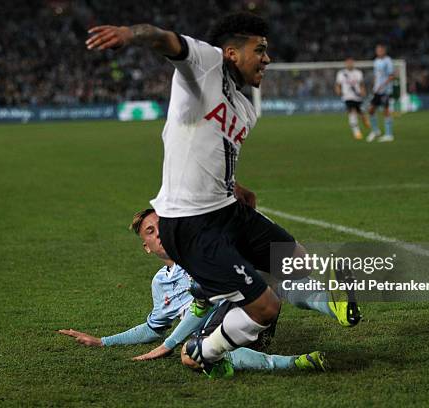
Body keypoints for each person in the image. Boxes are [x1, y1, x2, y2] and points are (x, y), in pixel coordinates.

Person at [85, 12, 360, 377]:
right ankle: (205, 350)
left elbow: (214, 150)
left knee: (296, 261)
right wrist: (129, 33)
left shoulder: (245, 107)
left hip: (226, 208)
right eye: (259, 49)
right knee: (266, 307)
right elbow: (165, 39)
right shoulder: (205, 65)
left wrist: (235, 185)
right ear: (231, 52)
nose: (267, 58)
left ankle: (336, 306)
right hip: (189, 222)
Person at [58, 209, 329, 377]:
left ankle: (326, 303)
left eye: (161, 224)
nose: (159, 232)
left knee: (197, 341)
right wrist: (103, 341)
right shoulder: (160, 282)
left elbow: (207, 302)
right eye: (151, 232)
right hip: (224, 329)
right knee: (192, 355)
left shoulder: (200, 250)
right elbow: (153, 327)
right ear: (147, 247)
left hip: (248, 309)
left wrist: (169, 343)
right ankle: (297, 362)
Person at [335, 57, 369, 140]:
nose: (349, 64)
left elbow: (361, 84)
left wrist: (363, 91)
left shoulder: (358, 73)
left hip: (357, 96)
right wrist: (338, 91)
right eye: (348, 63)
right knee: (351, 111)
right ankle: (356, 132)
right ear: (345, 64)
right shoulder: (341, 73)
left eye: (351, 62)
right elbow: (338, 84)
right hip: (347, 96)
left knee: (360, 112)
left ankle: (364, 119)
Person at [366, 44, 395, 142]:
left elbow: (391, 76)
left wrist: (382, 86)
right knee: (371, 110)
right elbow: (376, 76)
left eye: (380, 50)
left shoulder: (388, 61)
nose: (379, 51)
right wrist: (375, 87)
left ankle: (389, 135)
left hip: (386, 90)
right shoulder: (376, 61)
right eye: (377, 50)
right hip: (377, 90)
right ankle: (375, 131)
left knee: (386, 111)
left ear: (384, 50)